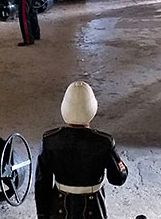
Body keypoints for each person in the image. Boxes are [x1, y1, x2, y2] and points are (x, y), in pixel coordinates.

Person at [35, 81, 128, 219]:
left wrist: (42, 214)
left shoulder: (49, 140)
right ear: (92, 108)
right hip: (93, 207)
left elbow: (42, 184)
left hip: (60, 207)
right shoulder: (104, 142)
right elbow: (118, 179)